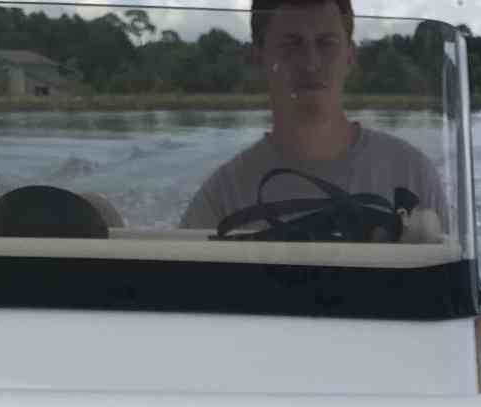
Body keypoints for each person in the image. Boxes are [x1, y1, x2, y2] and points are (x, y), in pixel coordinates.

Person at [180, 0, 450, 235]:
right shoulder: (221, 199)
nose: (311, 63)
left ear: (350, 57)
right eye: (292, 44)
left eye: (326, 44)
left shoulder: (413, 178)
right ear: (258, 58)